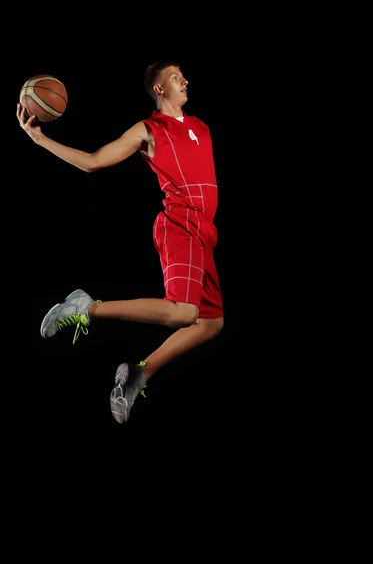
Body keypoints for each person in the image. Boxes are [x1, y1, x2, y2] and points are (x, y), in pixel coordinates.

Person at [16, 60, 224, 424]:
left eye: (183, 75)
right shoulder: (149, 129)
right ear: (159, 89)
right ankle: (87, 307)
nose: (185, 80)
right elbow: (94, 162)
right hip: (181, 222)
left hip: (205, 229)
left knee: (211, 323)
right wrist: (39, 138)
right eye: (175, 78)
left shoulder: (200, 127)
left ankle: (141, 371)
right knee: (185, 313)